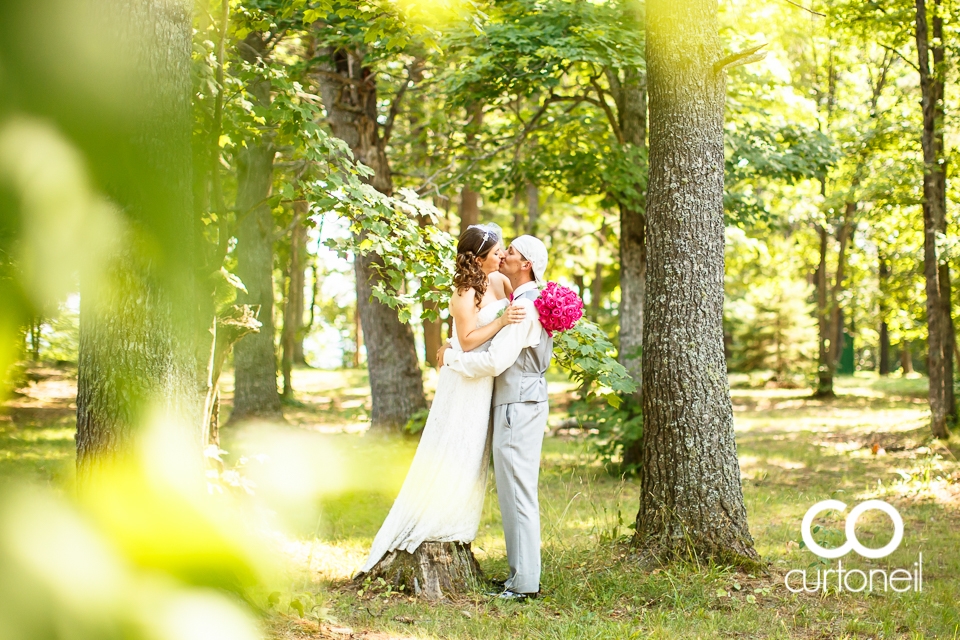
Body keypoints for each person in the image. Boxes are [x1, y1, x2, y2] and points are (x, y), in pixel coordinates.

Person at [356, 223, 526, 575]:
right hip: (463, 379)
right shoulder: (464, 292)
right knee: (456, 444)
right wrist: (499, 323)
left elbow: (520, 300)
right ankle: (436, 517)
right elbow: (466, 340)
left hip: (483, 374)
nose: (501, 256)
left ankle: (459, 513)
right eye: (495, 253)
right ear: (479, 257)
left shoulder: (499, 282)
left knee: (473, 449)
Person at [439, 235, 551, 602]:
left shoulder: (524, 306)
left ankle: (523, 585)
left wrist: (451, 360)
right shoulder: (523, 300)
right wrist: (457, 344)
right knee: (515, 493)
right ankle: (521, 577)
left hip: (517, 405)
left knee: (517, 494)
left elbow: (494, 361)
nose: (505, 255)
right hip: (522, 402)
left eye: (513, 253)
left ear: (526, 264)